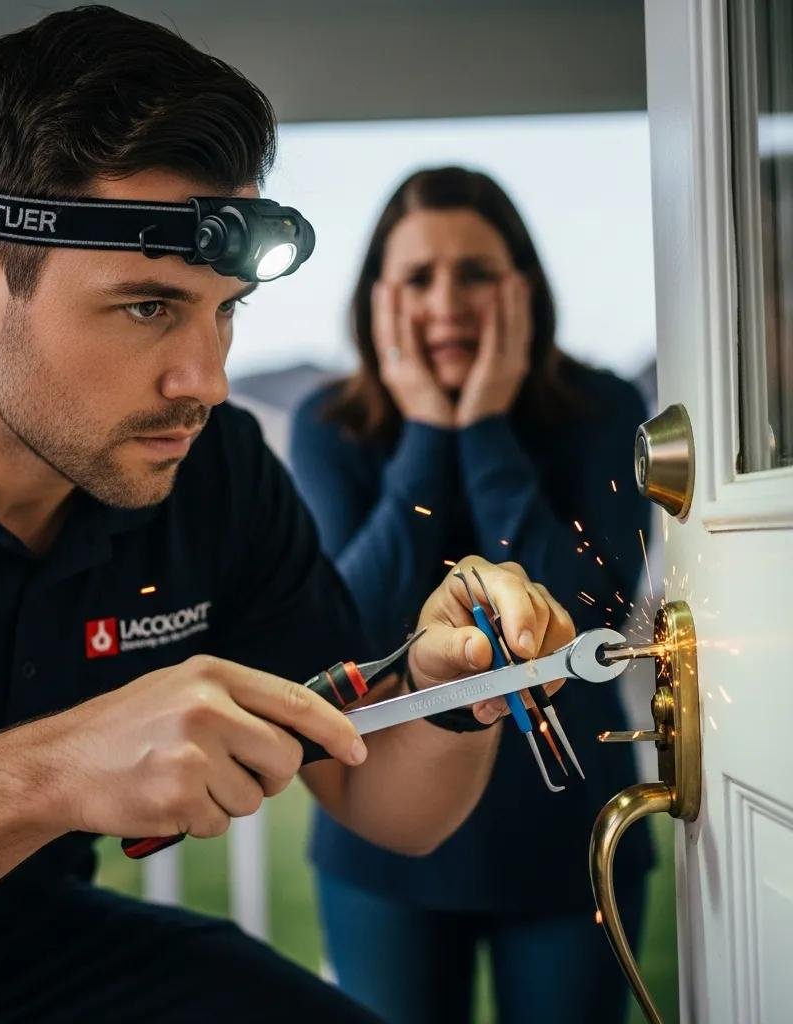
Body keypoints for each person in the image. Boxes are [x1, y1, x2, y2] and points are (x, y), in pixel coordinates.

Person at [0, 13, 579, 1022]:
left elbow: (393, 809)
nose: (206, 380)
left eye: (223, 308)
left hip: (41, 950)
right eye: (148, 307)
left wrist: (448, 685)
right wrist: (51, 770)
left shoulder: (212, 468)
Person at [292, 167, 654, 1024]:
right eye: (419, 278)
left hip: (569, 844)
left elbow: (578, 626)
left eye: (476, 273)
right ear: (379, 299)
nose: (447, 302)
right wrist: (426, 428)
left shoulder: (601, 409)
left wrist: (485, 425)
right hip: (382, 849)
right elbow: (347, 629)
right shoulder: (328, 425)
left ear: (521, 288)